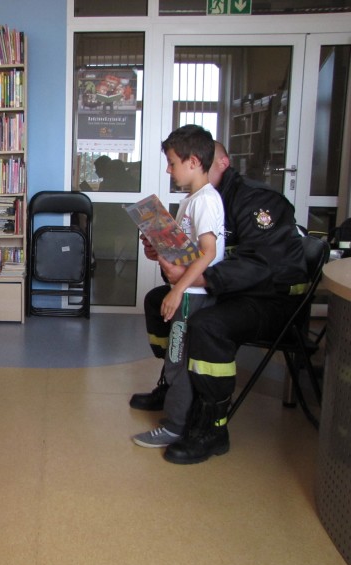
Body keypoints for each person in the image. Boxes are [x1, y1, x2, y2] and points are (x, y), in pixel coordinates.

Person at [130, 141, 308, 465]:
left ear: (221, 162)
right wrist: (163, 251)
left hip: (271, 298)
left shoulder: (256, 200)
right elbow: (199, 253)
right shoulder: (201, 198)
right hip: (230, 290)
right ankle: (176, 385)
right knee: (157, 301)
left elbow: (260, 265)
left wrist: (195, 281)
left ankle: (212, 426)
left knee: (208, 326)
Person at [131, 125, 224, 450]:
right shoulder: (191, 201)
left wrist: (177, 290)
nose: (169, 170)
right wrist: (156, 248)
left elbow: (208, 253)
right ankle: (179, 417)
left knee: (177, 360)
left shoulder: (206, 201)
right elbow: (186, 252)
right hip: (188, 293)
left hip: (192, 297)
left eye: (172, 163)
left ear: (193, 162)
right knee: (176, 359)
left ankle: (176, 426)